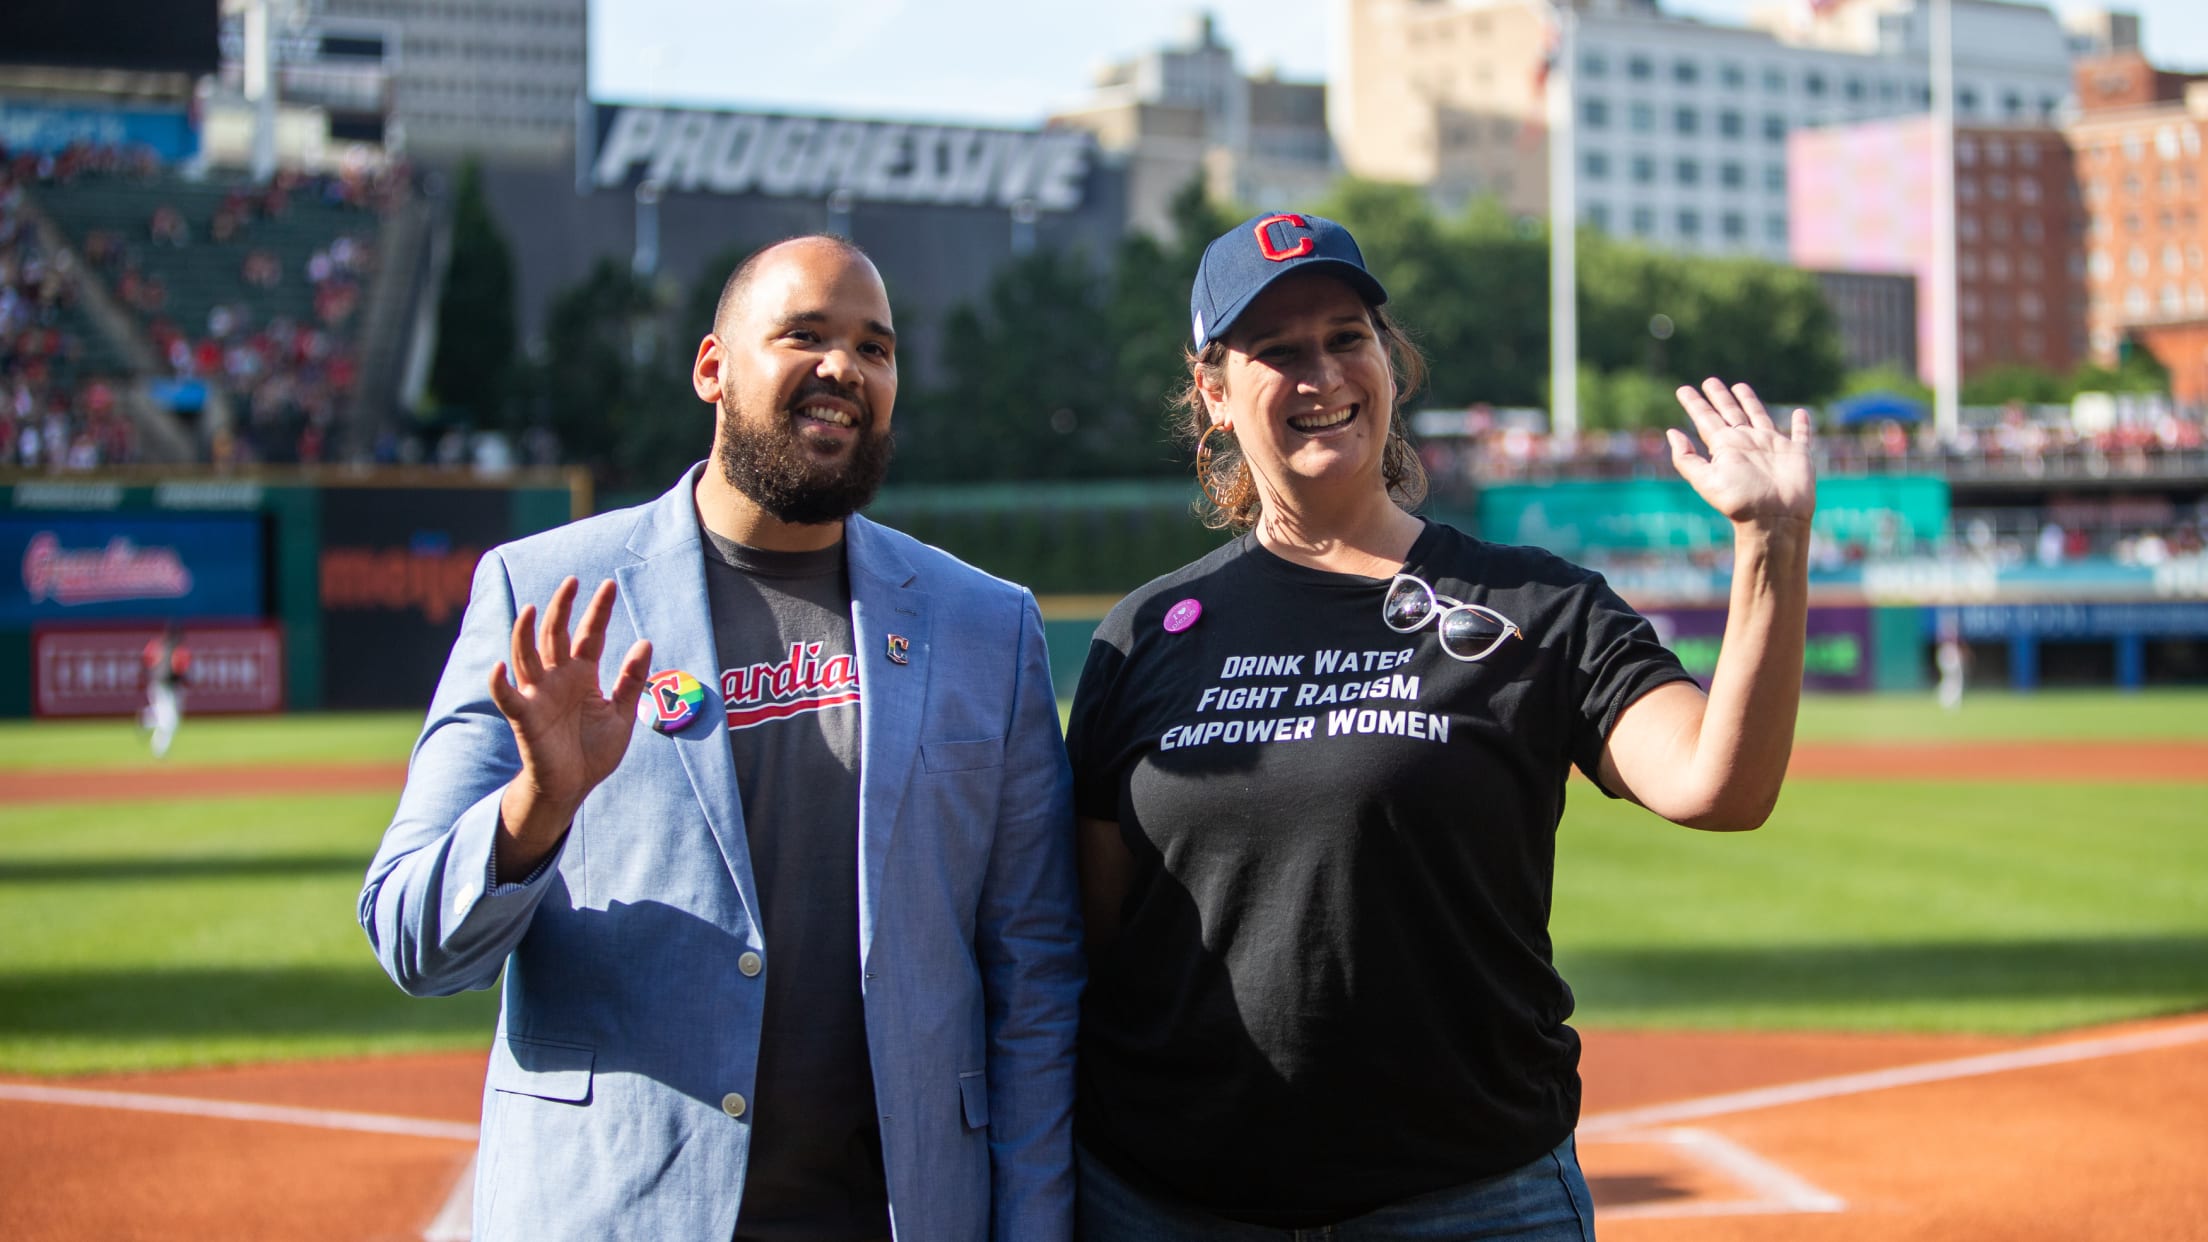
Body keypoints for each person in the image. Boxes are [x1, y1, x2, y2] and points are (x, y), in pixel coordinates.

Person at [1065, 213, 1815, 1240]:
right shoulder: (1144, 635)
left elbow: (1717, 786)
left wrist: (1771, 544)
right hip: (1171, 1205)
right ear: (1214, 394)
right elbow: (1096, 940)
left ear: (1390, 361)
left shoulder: (1539, 605)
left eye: (1346, 336)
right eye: (1277, 351)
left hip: (1472, 1202)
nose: (1320, 372)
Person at [361, 236, 1083, 1242]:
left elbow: (1036, 972)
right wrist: (538, 807)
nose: (845, 367)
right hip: (615, 1214)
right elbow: (412, 940)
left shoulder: (985, 625)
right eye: (805, 335)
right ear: (712, 368)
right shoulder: (545, 590)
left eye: (876, 349)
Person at [141, 623, 190, 758]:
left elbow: (146, 660)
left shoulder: (157, 645)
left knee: (166, 716)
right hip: (168, 687)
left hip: (157, 684)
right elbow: (180, 669)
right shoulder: (178, 650)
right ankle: (159, 749)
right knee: (170, 720)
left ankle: (147, 718)